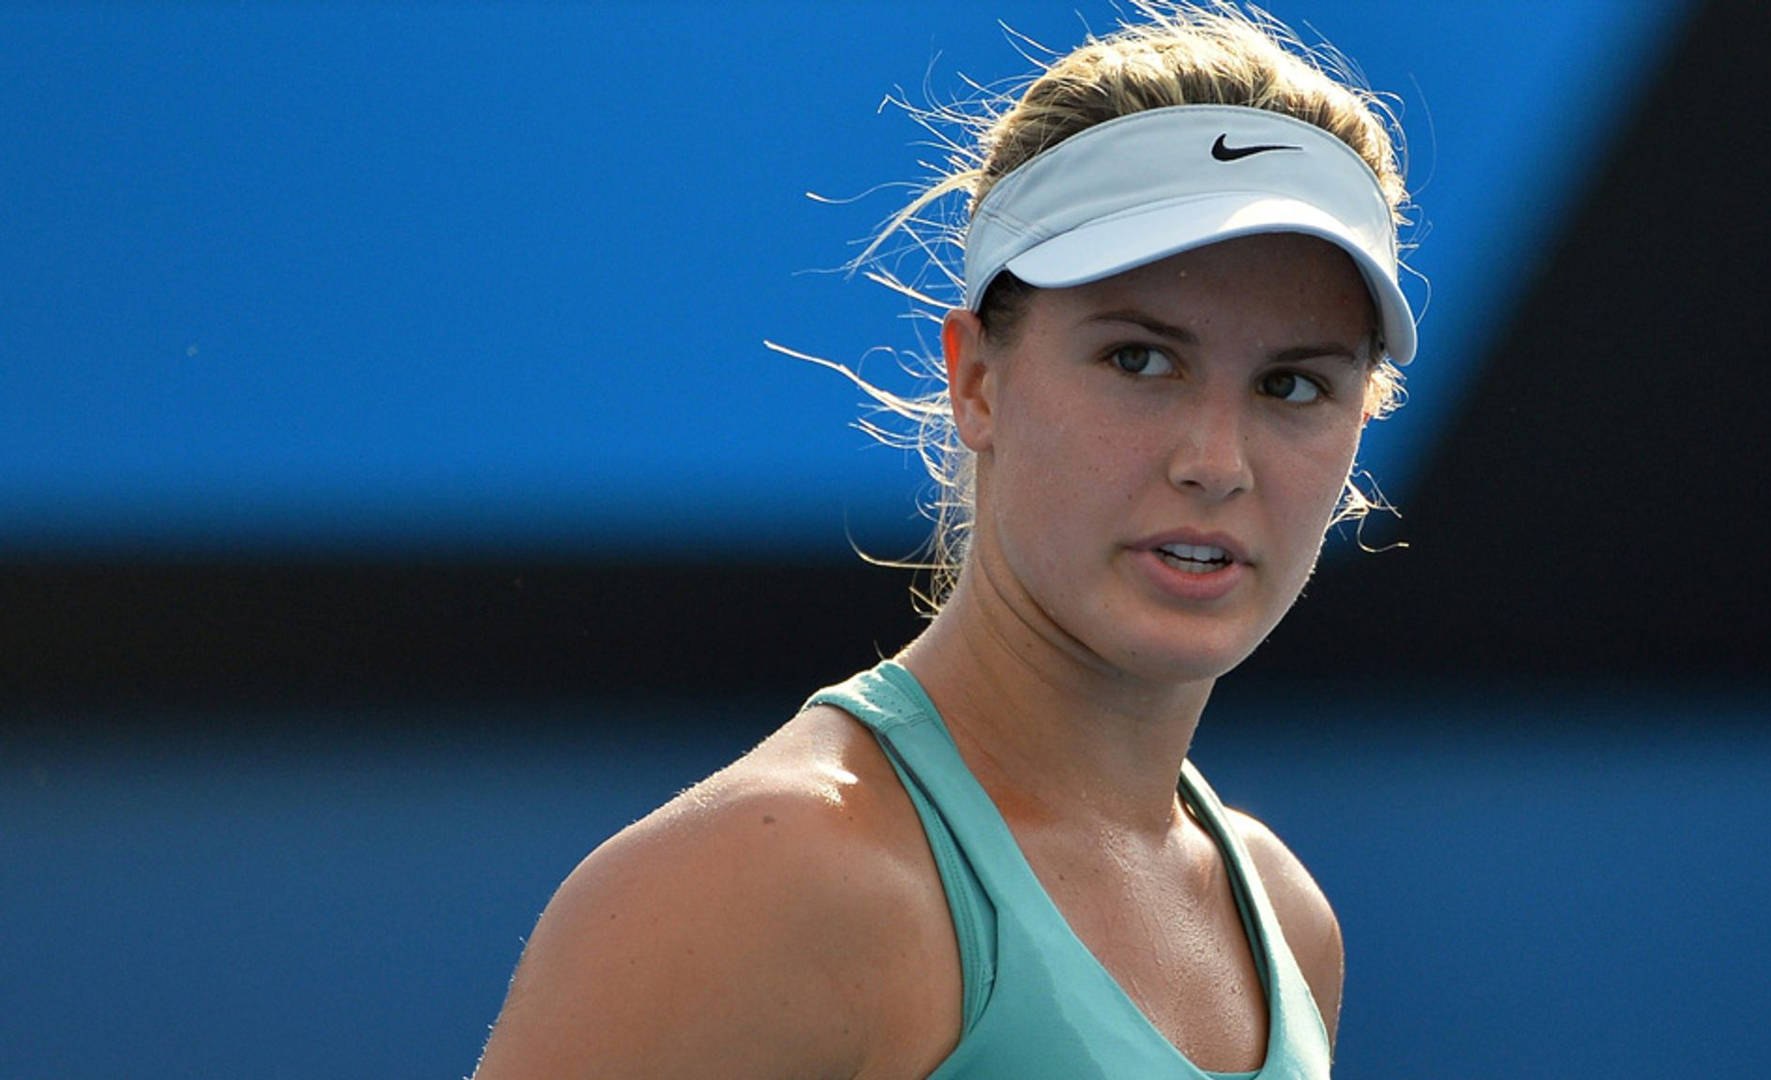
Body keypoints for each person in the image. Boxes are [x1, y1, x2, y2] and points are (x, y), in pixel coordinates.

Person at [471, 2, 1415, 1076]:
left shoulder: (1289, 929)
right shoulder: (766, 879)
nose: (1216, 458)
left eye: (1292, 384)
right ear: (977, 380)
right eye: (1141, 361)